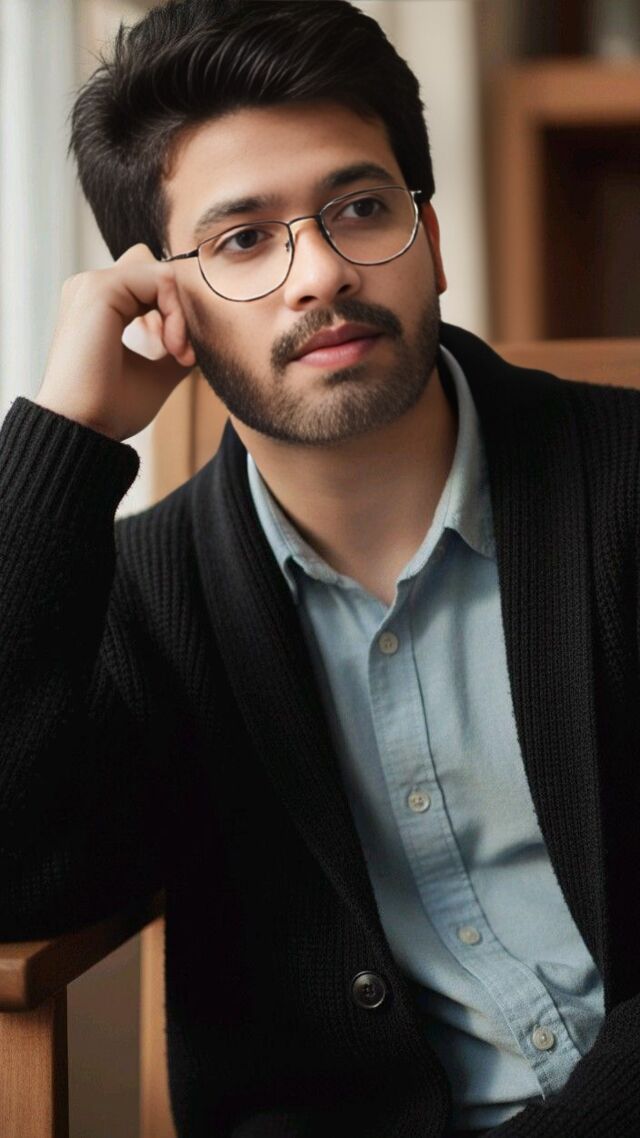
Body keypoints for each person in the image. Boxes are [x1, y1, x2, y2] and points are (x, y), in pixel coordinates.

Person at [0, 1, 638, 1135]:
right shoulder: (147, 599)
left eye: (360, 209)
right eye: (244, 240)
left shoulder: (625, 479)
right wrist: (64, 435)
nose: (321, 274)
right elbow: (17, 876)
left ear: (430, 239)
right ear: (164, 306)